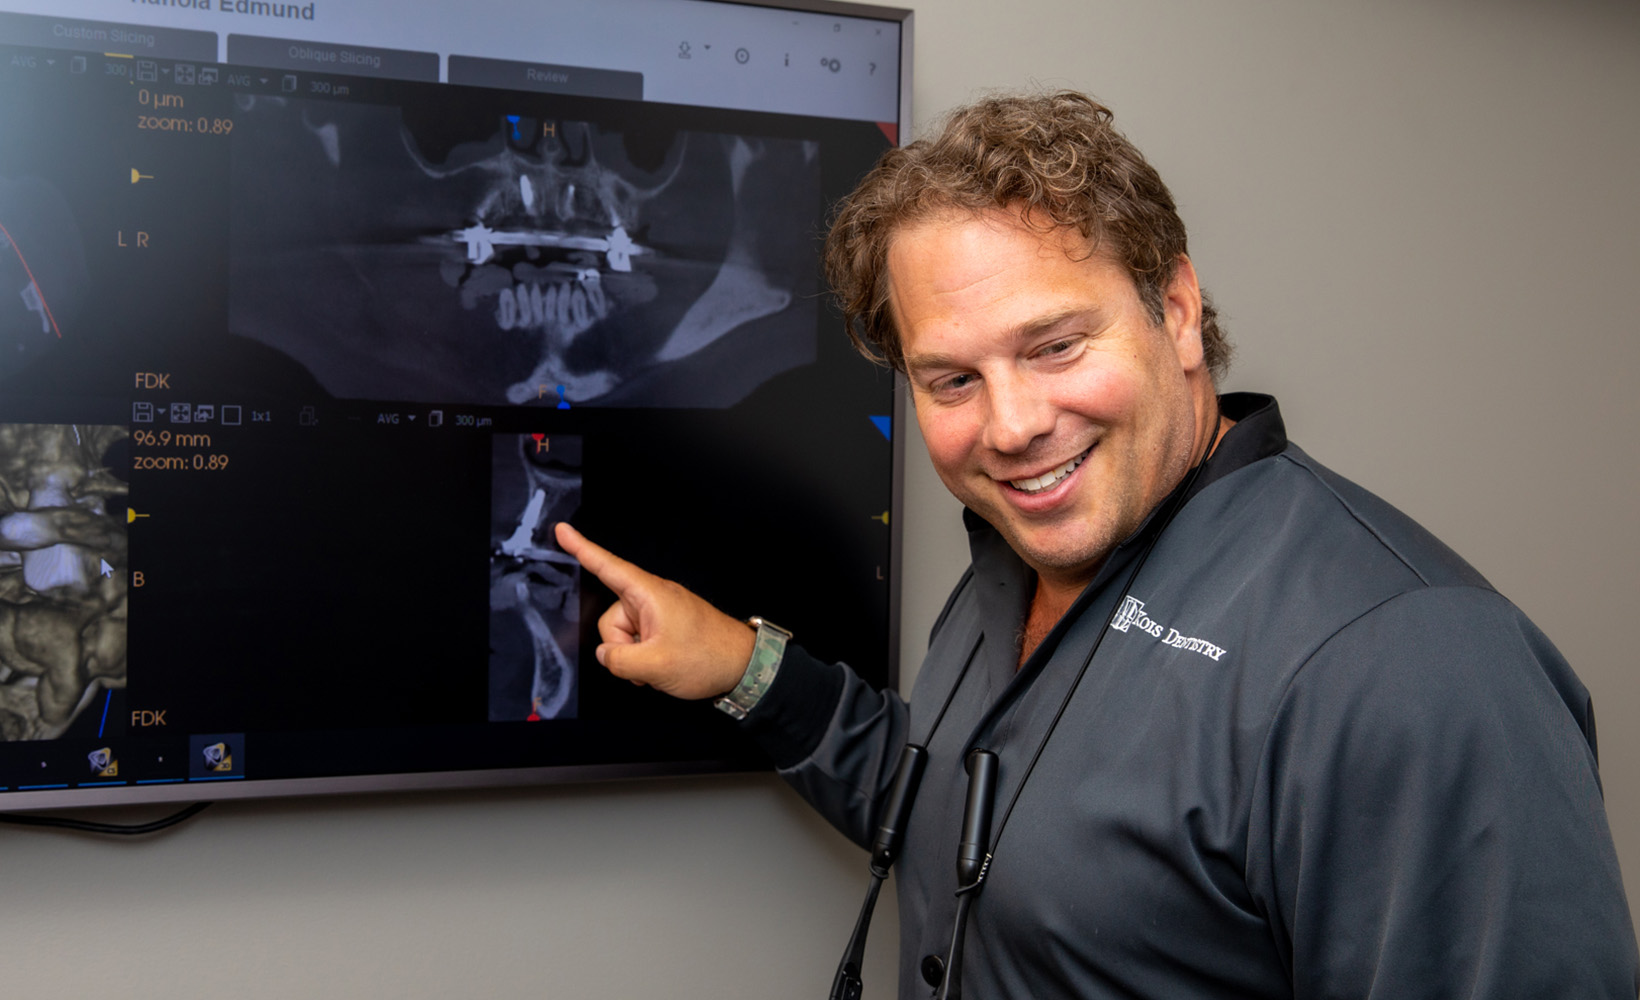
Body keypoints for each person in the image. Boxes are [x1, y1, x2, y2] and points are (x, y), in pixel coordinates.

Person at [554, 91, 1638, 999]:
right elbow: (968, 811)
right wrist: (742, 666)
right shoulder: (1014, 563)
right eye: (950, 380)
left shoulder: (1414, 665)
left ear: (1174, 309)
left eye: (1056, 345)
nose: (1012, 423)